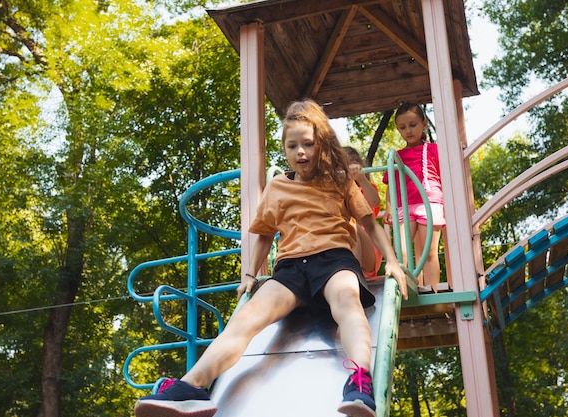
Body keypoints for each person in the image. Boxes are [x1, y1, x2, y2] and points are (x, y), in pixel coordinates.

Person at [134, 99, 408, 417]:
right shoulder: (277, 185)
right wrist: (249, 274)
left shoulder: (339, 180)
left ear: (321, 145)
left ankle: (360, 381)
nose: (301, 152)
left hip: (334, 261)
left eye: (308, 144)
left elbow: (368, 223)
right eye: (293, 146)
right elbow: (265, 234)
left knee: (347, 301)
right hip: (290, 269)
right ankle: (192, 386)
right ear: (285, 149)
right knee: (246, 319)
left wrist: (392, 261)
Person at [382, 102, 445, 292]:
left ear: (424, 123)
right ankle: (406, 290)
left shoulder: (434, 149)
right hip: (404, 205)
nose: (408, 130)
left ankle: (432, 291)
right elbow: (390, 184)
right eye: (403, 127)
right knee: (400, 251)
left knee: (428, 253)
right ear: (398, 129)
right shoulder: (396, 156)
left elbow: (445, 177)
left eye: (413, 125)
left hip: (430, 201)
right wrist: (388, 206)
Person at [343, 146, 383, 279]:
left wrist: (361, 179)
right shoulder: (339, 192)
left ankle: (354, 277)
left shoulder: (365, 189)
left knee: (352, 225)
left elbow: (375, 203)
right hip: (344, 246)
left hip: (369, 249)